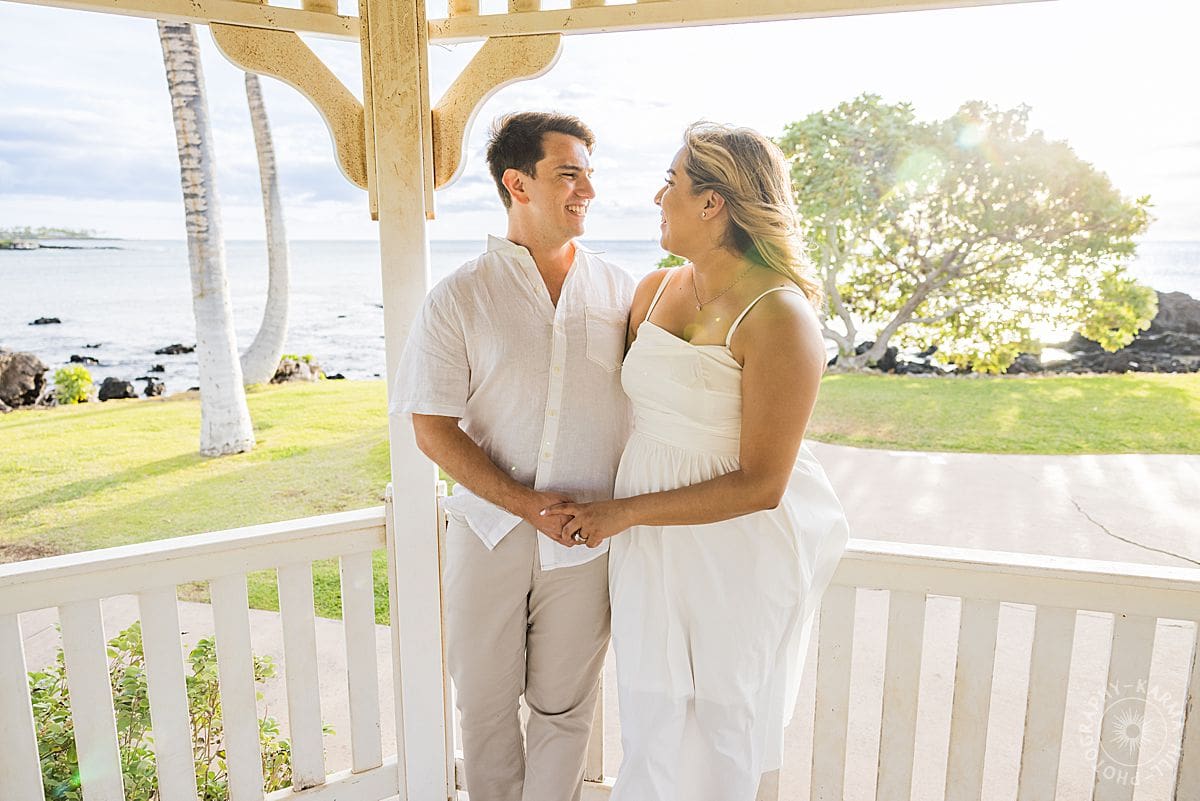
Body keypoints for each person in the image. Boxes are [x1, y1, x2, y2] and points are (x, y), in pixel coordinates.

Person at [544, 122, 850, 801]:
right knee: (650, 709)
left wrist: (619, 512)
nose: (658, 196)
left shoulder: (781, 316)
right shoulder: (653, 292)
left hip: (733, 545)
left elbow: (764, 484)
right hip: (646, 541)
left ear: (713, 203)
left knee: (721, 719)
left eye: (672, 182)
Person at [390, 111, 635, 801]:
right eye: (568, 174)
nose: (586, 188)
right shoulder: (458, 298)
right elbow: (432, 427)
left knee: (566, 711)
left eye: (589, 174)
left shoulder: (623, 293)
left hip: (586, 543)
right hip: (488, 533)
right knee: (485, 706)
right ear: (517, 183)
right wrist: (527, 504)